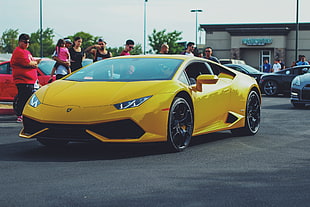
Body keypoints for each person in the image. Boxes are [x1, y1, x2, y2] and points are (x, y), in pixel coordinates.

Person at [11, 33, 41, 122]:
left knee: (29, 98)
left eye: (28, 42)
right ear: (20, 42)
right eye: (25, 42)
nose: (27, 44)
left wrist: (34, 63)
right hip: (23, 80)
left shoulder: (27, 52)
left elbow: (32, 62)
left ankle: (26, 114)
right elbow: (27, 63)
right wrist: (35, 63)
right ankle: (20, 114)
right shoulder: (18, 51)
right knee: (23, 97)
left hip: (30, 80)